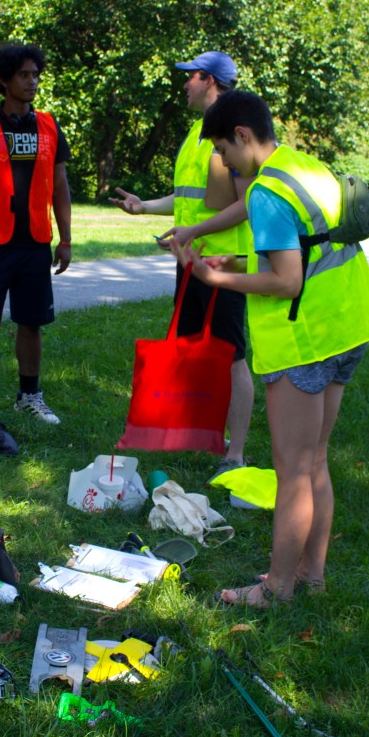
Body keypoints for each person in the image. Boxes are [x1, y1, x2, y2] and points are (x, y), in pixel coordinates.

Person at [176, 90, 369, 607]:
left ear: (242, 136)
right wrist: (233, 264)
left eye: (223, 150)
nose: (222, 163)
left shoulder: (268, 192)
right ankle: (312, 575)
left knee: (292, 470)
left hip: (305, 338)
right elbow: (303, 249)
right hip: (347, 323)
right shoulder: (304, 165)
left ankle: (277, 588)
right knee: (315, 460)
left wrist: (212, 278)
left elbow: (287, 281)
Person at [110, 51, 254, 481]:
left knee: (231, 355)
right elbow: (187, 196)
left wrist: (194, 231)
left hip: (226, 261)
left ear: (209, 80)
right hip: (190, 259)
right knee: (197, 349)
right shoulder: (198, 132)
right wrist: (144, 207)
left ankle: (237, 452)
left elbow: (247, 203)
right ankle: (209, 436)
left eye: (189, 77)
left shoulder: (235, 130)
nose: (184, 84)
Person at [0, 43, 72, 424]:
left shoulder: (49, 126)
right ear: (4, 80)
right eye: (24, 74)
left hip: (35, 242)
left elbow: (61, 188)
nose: (32, 81)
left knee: (31, 322)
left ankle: (30, 395)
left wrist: (66, 239)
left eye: (36, 74)